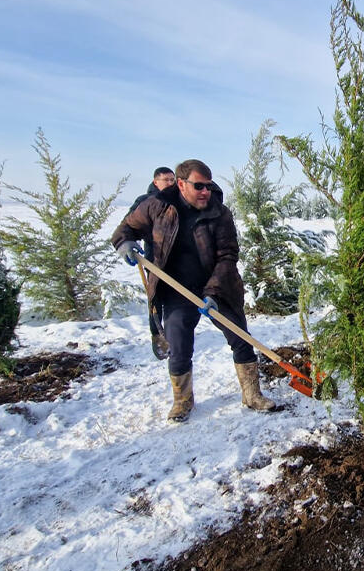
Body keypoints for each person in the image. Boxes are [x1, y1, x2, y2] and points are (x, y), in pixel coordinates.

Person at [112, 159, 275, 422]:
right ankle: (183, 401)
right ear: (181, 183)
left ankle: (252, 394)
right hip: (176, 289)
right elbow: (125, 228)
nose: (205, 192)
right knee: (178, 346)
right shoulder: (157, 207)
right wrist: (125, 243)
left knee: (240, 338)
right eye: (199, 186)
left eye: (208, 186)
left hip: (218, 286)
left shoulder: (220, 213)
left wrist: (212, 292)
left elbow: (227, 256)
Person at [129, 167, 177, 360]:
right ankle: (157, 334)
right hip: (154, 257)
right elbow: (131, 224)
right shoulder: (145, 201)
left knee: (174, 296)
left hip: (175, 257)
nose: (170, 183)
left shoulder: (176, 201)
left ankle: (174, 333)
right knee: (155, 296)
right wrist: (127, 242)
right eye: (166, 179)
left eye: (173, 179)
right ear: (155, 182)